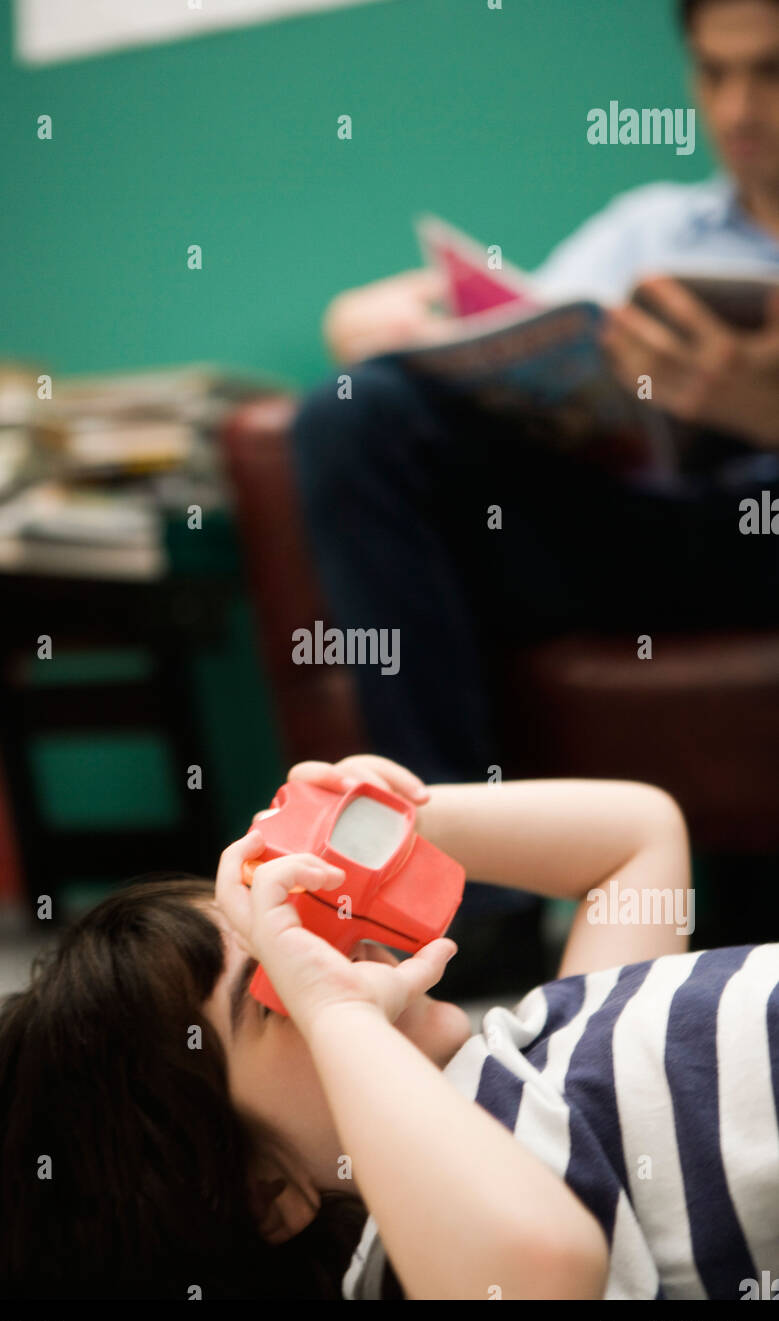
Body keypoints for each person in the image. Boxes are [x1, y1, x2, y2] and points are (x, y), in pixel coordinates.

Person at [0, 753, 777, 1301]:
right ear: (266, 1196)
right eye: (278, 984)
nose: (340, 952)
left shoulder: (534, 1048)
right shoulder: (421, 1255)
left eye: (310, 925)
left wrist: (384, 828)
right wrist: (336, 1008)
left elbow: (635, 841)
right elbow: (539, 1272)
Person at [290, 0, 779, 798]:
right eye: (713, 73)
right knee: (357, 410)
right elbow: (528, 325)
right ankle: (460, 883)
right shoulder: (648, 230)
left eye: (770, 71)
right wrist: (379, 326)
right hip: (631, 532)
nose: (735, 110)